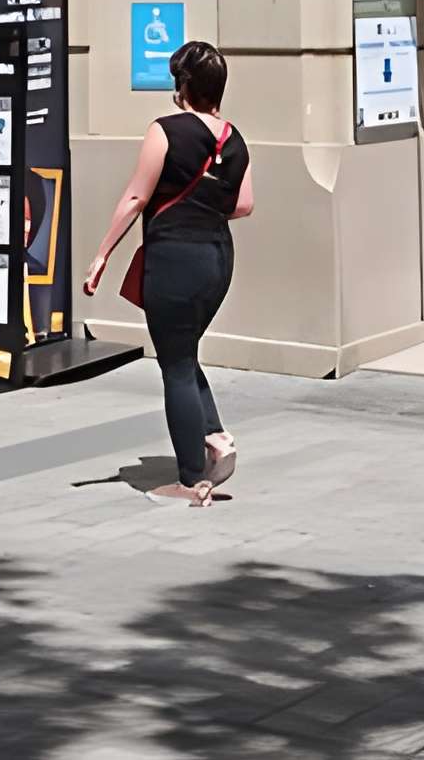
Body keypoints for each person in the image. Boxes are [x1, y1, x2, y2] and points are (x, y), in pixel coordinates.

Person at [83, 39, 253, 504]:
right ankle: (215, 435)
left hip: (175, 258)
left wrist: (101, 256)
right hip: (218, 258)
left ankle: (191, 480)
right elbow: (243, 205)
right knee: (184, 351)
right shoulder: (234, 138)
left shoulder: (165, 130)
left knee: (174, 365)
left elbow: (137, 197)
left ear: (183, 87)